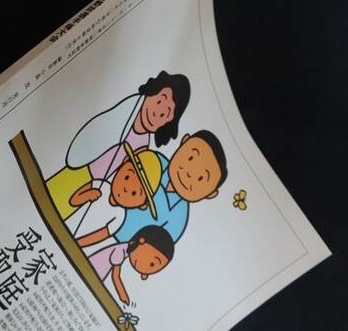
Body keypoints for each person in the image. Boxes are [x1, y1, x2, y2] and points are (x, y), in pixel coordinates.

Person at [47, 71, 191, 220]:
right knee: (49, 195)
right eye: (159, 101)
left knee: (59, 214)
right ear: (151, 93)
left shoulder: (143, 146)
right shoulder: (125, 111)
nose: (156, 113)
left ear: (167, 123)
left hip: (95, 184)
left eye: (164, 114)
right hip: (81, 168)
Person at [75, 130, 228, 248]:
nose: (189, 173)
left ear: (211, 193)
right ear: (184, 141)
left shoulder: (180, 218)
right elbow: (117, 176)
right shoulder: (152, 162)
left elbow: (158, 247)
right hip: (98, 207)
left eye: (201, 178)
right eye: (190, 158)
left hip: (121, 247)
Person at [64, 143, 163, 244]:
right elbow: (74, 200)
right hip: (65, 226)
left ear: (143, 205)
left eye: (134, 193)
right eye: (127, 177)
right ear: (124, 162)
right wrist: (88, 194)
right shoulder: (100, 184)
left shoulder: (119, 217)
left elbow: (99, 236)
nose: (126, 189)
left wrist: (77, 243)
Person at [88, 226, 174, 305]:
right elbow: (115, 276)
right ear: (141, 241)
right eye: (152, 264)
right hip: (91, 270)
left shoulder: (125, 251)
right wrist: (123, 295)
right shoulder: (120, 250)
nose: (146, 272)